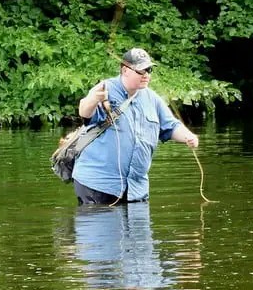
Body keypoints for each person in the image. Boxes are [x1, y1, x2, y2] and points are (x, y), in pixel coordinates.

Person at [72, 48, 199, 205]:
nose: (146, 74)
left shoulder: (152, 98)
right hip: (97, 183)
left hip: (136, 189)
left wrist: (189, 137)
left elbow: (171, 126)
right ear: (125, 70)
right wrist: (92, 100)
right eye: (141, 70)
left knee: (138, 229)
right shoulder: (105, 89)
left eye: (149, 69)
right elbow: (85, 113)